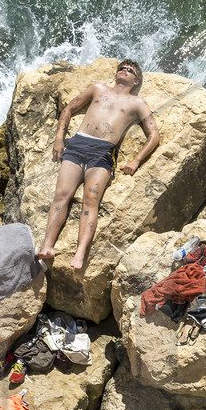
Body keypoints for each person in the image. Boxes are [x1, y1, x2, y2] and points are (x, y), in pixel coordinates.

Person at [36, 59, 161, 271]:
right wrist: (59, 138)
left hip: (103, 151)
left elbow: (154, 134)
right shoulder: (97, 89)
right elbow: (68, 109)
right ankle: (47, 246)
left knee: (91, 198)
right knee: (61, 195)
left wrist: (136, 160)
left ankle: (80, 253)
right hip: (78, 144)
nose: (124, 70)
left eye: (129, 70)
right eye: (121, 68)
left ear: (136, 80)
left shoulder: (137, 103)